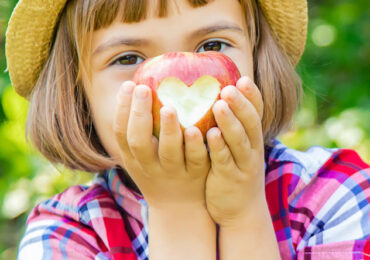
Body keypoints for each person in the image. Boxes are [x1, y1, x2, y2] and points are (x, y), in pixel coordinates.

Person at [5, 0, 369, 259]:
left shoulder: (334, 197)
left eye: (212, 45)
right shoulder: (69, 237)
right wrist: (177, 210)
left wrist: (243, 216)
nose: (178, 75)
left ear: (258, 61)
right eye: (128, 58)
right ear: (76, 94)